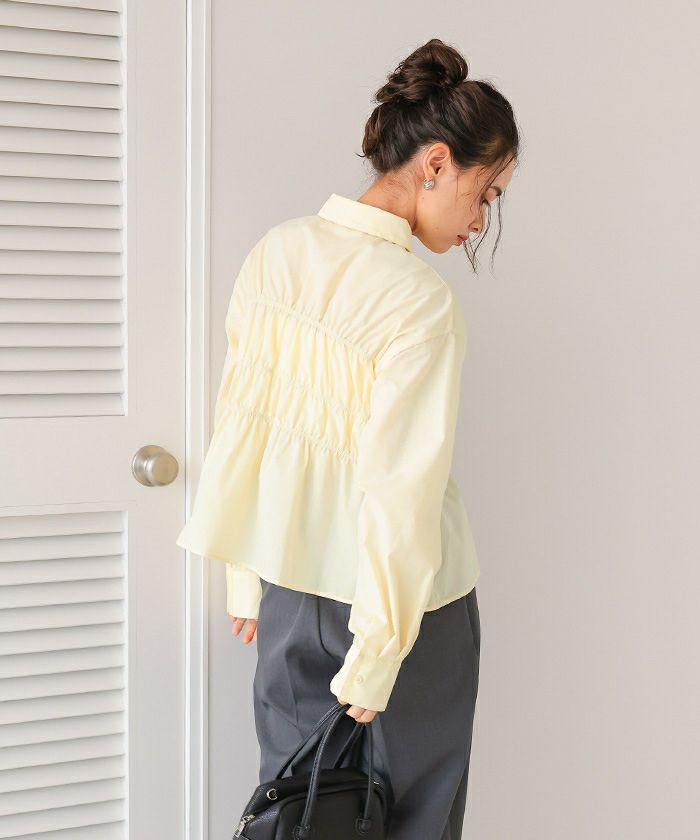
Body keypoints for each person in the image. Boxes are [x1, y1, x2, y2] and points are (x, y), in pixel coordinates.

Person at [176, 36, 519, 840]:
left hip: (289, 589)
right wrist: (380, 649)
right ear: (436, 162)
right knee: (414, 819)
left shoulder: (277, 252)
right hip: (405, 611)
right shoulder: (419, 302)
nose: (479, 219)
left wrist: (245, 575)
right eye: (486, 193)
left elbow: (244, 420)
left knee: (299, 814)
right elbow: (402, 491)